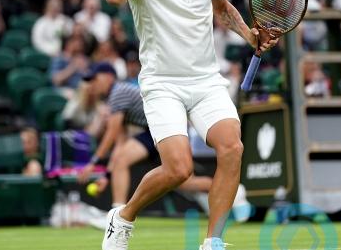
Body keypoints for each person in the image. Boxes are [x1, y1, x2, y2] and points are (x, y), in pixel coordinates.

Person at [101, 0, 277, 250]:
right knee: (179, 169)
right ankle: (123, 217)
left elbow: (221, 8)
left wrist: (250, 36)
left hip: (205, 81)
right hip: (162, 84)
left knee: (232, 147)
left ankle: (212, 247)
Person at [77, 63, 247, 216]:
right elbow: (120, 143)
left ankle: (116, 214)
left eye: (94, 79)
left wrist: (93, 163)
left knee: (179, 178)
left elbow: (111, 134)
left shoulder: (118, 92)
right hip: (158, 130)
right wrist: (107, 175)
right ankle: (235, 191)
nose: (91, 85)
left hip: (166, 127)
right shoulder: (115, 97)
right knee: (185, 183)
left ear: (108, 77)